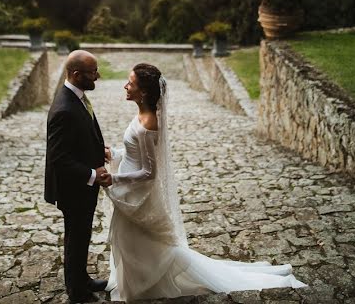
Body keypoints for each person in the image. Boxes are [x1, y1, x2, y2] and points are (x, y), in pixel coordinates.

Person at [104, 63, 306, 302]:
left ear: (144, 93)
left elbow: (149, 172)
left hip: (136, 191)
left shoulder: (149, 123)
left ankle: (143, 285)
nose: (126, 86)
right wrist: (114, 155)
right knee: (131, 242)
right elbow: (133, 153)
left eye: (131, 83)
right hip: (127, 189)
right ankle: (136, 283)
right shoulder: (140, 114)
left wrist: (114, 177)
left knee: (136, 243)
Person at [44, 50, 112, 304]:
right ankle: (77, 291)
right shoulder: (64, 108)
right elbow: (58, 159)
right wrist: (93, 174)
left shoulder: (77, 98)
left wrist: (99, 151)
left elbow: (80, 137)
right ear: (75, 74)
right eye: (92, 72)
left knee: (80, 236)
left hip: (81, 186)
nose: (97, 75)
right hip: (73, 188)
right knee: (76, 237)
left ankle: (81, 279)